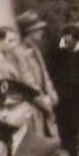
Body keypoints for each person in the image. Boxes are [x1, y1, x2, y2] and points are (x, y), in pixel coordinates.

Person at [14, 10, 60, 139]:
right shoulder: (19, 53)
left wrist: (51, 92)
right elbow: (28, 81)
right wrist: (42, 100)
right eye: (38, 30)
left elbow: (44, 73)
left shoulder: (35, 49)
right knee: (36, 140)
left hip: (45, 103)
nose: (41, 32)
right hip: (32, 106)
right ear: (29, 32)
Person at [51, 24, 79, 156]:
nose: (67, 43)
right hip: (62, 97)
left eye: (70, 40)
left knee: (75, 125)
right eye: (65, 40)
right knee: (65, 127)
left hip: (78, 98)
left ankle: (74, 151)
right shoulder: (57, 52)